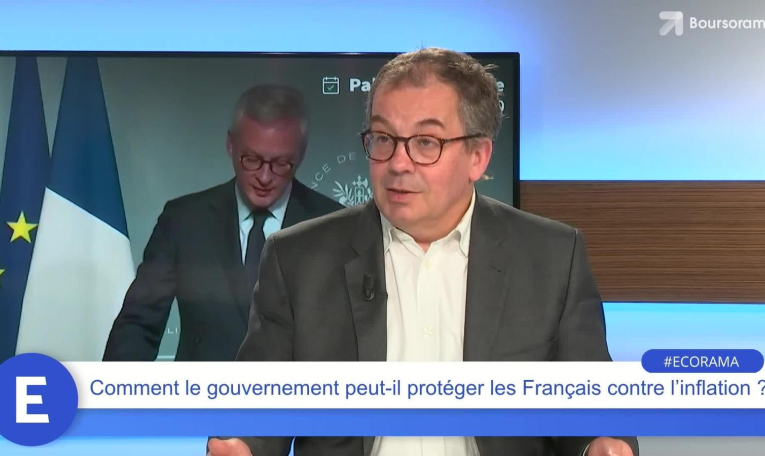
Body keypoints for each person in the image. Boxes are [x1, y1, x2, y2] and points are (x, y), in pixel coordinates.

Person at [207, 49, 639, 455]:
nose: (398, 163)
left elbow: (593, 407)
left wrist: (600, 444)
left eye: (426, 143)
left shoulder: (552, 258)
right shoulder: (298, 259)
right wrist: (242, 444)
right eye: (383, 138)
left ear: (478, 156)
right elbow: (255, 406)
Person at [103, 84, 342, 361]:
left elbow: (352, 337)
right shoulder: (184, 221)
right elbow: (137, 327)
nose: (264, 177)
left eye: (281, 163)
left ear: (301, 153)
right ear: (230, 144)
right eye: (251, 159)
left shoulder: (334, 227)